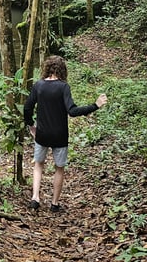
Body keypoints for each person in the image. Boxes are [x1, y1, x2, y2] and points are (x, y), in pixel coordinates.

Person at [24, 55, 107, 212]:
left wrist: (30, 125)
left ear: (46, 68)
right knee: (59, 168)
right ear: (63, 70)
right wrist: (95, 105)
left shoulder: (38, 85)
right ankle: (54, 204)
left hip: (42, 134)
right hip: (60, 135)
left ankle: (35, 198)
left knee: (38, 165)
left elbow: (27, 107)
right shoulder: (63, 87)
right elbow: (73, 111)